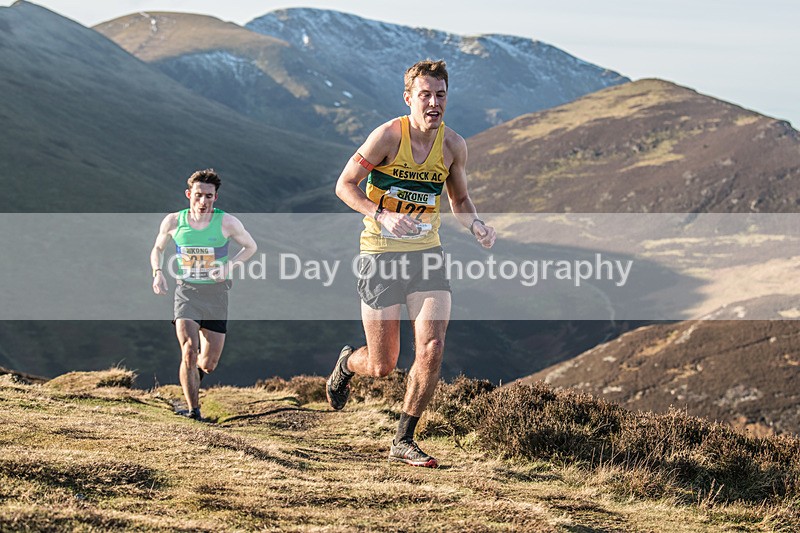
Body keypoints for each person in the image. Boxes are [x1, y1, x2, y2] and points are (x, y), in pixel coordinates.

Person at [326, 59, 496, 467]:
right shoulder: (387, 136)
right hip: (380, 255)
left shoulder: (453, 145)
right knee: (383, 366)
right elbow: (344, 185)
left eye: (440, 95)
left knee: (432, 347)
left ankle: (403, 439)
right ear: (409, 98)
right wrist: (380, 214)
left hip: (427, 256)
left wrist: (476, 225)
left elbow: (459, 201)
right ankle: (348, 362)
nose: (434, 103)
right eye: (425, 95)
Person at [150, 169, 257, 420]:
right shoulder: (174, 221)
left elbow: (250, 247)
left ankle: (193, 377)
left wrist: (229, 267)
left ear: (215, 197)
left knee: (208, 363)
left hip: (217, 294)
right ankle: (193, 410)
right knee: (189, 349)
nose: (203, 201)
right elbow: (158, 247)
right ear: (189, 194)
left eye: (209, 196)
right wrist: (157, 272)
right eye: (198, 195)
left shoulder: (227, 222)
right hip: (186, 291)